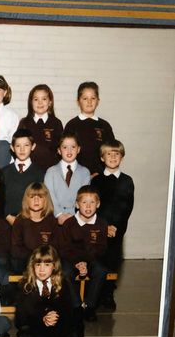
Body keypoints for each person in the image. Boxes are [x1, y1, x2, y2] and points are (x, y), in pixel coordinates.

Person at [91, 140, 134, 310]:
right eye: (109, 154)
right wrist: (104, 227)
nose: (113, 157)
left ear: (122, 158)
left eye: (117, 154)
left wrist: (115, 226)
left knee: (112, 263)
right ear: (102, 158)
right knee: (98, 261)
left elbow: (126, 207)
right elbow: (93, 206)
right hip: (99, 228)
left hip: (117, 230)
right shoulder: (96, 181)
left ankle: (108, 294)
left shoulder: (127, 181)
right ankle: (97, 295)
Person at [15, 244, 83, 337]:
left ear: (54, 265)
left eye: (47, 265)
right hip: (36, 321)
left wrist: (53, 316)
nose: (42, 269)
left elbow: (66, 307)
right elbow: (23, 313)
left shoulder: (63, 282)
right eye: (38, 264)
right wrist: (43, 316)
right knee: (25, 327)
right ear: (32, 266)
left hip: (56, 321)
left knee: (73, 321)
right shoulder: (25, 285)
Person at [59, 186, 108, 322]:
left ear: (98, 205)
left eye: (92, 202)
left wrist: (86, 262)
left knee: (101, 270)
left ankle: (90, 306)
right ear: (77, 204)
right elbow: (64, 249)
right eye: (84, 202)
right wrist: (78, 263)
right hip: (71, 259)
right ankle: (77, 307)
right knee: (65, 272)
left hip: (92, 259)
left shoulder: (101, 224)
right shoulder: (69, 224)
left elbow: (101, 248)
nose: (88, 206)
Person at [64, 81, 115, 177]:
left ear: (98, 101)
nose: (89, 101)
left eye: (93, 98)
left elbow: (111, 152)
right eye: (85, 98)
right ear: (78, 101)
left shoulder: (105, 126)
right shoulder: (71, 125)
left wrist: (100, 172)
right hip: (77, 176)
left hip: (101, 176)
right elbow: (65, 152)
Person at [11, 182, 59, 274]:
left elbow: (55, 247)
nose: (36, 200)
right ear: (26, 200)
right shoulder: (20, 221)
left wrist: (43, 259)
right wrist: (35, 258)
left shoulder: (52, 221)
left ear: (46, 200)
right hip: (25, 262)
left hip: (47, 261)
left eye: (40, 197)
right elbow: (16, 249)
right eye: (32, 197)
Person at [44, 130, 90, 225]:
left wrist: (75, 217)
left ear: (78, 149)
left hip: (77, 220)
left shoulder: (85, 172)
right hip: (55, 219)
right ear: (59, 150)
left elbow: (84, 197)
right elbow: (49, 195)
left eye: (73, 147)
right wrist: (59, 215)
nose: (69, 151)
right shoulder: (51, 172)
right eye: (65, 147)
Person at [2, 129, 45, 225]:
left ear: (33, 146)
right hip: (8, 221)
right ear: (12, 148)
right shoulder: (3, 172)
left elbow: (42, 199)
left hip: (31, 221)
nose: (22, 149)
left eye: (26, 145)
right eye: (18, 146)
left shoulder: (40, 173)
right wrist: (8, 216)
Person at [18, 84, 63, 171]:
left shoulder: (56, 123)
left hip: (50, 170)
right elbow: (17, 147)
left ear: (50, 102)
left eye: (44, 99)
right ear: (31, 102)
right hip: (29, 170)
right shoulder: (24, 123)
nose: (40, 102)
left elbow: (60, 150)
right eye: (36, 99)